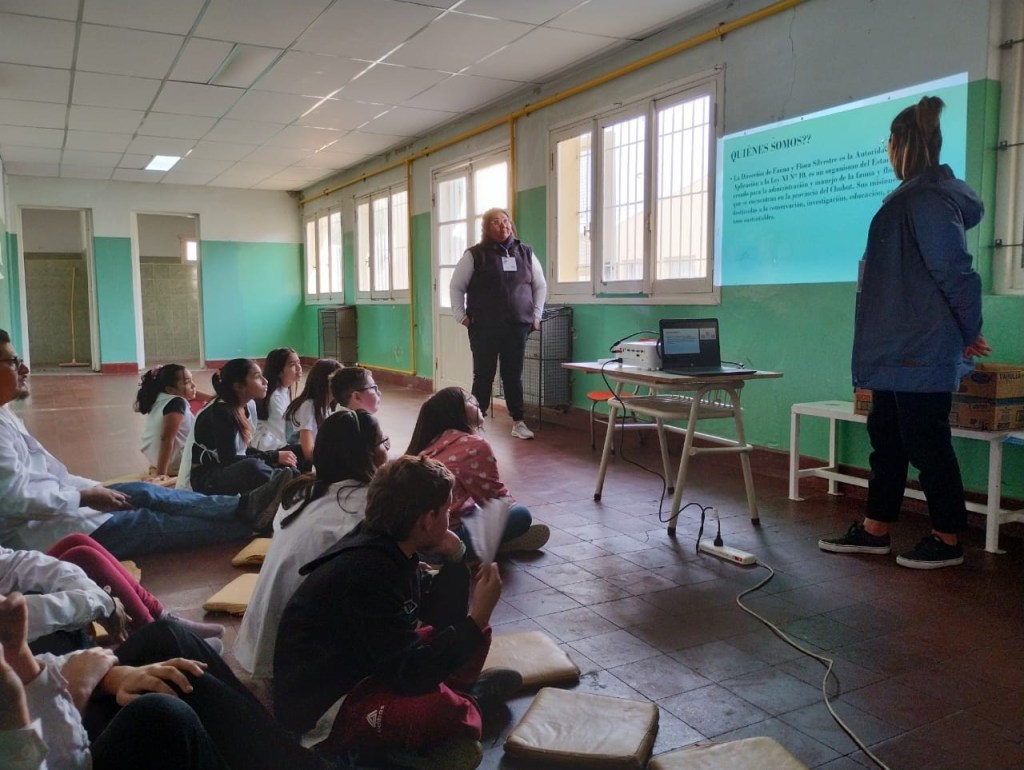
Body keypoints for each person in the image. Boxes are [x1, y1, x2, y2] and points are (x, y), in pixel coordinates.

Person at [818, 96, 990, 570]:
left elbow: (956, 273)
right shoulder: (910, 200)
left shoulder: (927, 201)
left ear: (897, 144)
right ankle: (876, 530)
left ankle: (949, 538)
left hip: (918, 350)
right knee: (888, 439)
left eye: (886, 144)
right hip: (896, 349)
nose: (885, 151)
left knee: (927, 442)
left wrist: (968, 329)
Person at [273, 456, 521, 769]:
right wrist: (480, 615)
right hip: (329, 705)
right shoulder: (367, 570)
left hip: (372, 666)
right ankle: (469, 704)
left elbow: (435, 617)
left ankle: (458, 703)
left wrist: (457, 558)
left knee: (459, 633)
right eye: (446, 511)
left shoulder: (388, 543)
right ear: (426, 520)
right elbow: (411, 676)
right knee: (437, 709)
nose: (451, 517)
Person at [0, 331, 278, 559]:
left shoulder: (5, 414)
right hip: (43, 531)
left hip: (68, 503)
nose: (24, 368)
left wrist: (95, 489)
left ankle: (244, 506)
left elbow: (54, 475)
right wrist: (84, 497)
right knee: (150, 521)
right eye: (13, 362)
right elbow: (15, 500)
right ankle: (248, 523)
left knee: (145, 492)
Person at [0, 591, 337, 770]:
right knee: (164, 711)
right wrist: (50, 690)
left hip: (44, 721)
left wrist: (105, 677)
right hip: (40, 743)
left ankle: (297, 759)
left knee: (166, 638)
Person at [234, 410, 386, 679]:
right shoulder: (365, 507)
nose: (388, 450)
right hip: (301, 658)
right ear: (368, 455)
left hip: (261, 642)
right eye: (383, 443)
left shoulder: (301, 491)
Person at [406, 387, 549, 558]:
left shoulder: (431, 441)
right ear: (456, 413)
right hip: (444, 541)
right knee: (520, 514)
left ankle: (492, 544)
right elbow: (495, 499)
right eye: (468, 400)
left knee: (473, 508)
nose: (476, 402)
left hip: (412, 541)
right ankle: (481, 550)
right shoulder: (473, 446)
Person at [449, 207, 548, 441]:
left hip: (517, 326)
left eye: (505, 221)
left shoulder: (525, 253)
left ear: (511, 224)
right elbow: (456, 286)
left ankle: (518, 421)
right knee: (483, 375)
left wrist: (536, 315)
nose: (502, 225)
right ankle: (476, 422)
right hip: (484, 327)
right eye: (496, 222)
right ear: (486, 227)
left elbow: (540, 285)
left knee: (513, 375)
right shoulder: (475, 255)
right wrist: (460, 316)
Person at [186, 358, 297, 497]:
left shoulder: (248, 405)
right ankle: (289, 484)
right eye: (257, 377)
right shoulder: (221, 412)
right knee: (253, 468)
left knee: (294, 451)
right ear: (239, 386)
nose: (265, 380)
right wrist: (273, 457)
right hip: (208, 477)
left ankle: (289, 480)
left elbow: (243, 450)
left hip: (232, 466)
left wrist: (274, 457)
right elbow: (229, 460)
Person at [134, 364, 196, 480]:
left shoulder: (161, 397)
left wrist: (211, 397)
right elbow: (166, 438)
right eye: (187, 382)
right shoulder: (177, 403)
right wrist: (161, 474)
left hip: (155, 458)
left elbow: (192, 394)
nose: (193, 385)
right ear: (170, 389)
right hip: (173, 463)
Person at [283, 358, 342, 467]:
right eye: (338, 381)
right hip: (298, 462)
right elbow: (308, 453)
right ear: (324, 382)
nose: (343, 386)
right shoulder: (308, 406)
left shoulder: (326, 407)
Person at [251, 347, 302, 452]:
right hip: (269, 448)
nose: (299, 368)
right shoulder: (275, 397)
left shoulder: (284, 391)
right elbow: (286, 435)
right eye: (292, 364)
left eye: (299, 363)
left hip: (277, 443)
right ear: (279, 372)